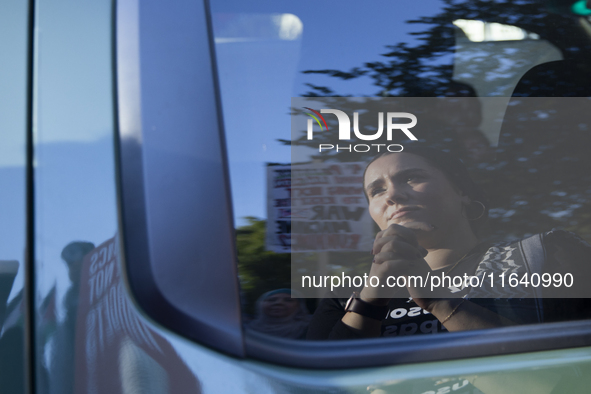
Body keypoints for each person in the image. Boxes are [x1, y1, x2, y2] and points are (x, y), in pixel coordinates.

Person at [307, 147, 591, 340]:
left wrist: (439, 301)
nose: (392, 195)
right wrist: (369, 301)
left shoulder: (548, 253)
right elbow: (313, 384)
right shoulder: (344, 296)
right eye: (377, 191)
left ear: (462, 192)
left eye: (411, 177)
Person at [247, 289, 312, 339]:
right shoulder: (244, 328)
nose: (279, 303)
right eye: (271, 300)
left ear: (299, 307)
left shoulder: (309, 329)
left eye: (288, 300)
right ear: (260, 305)